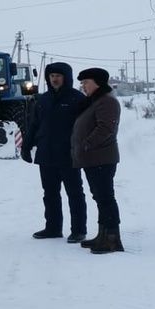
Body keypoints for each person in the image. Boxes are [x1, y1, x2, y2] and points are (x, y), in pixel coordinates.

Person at [19, 62, 87, 242]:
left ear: (66, 77)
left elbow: (85, 127)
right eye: (51, 76)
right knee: (49, 193)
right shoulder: (43, 99)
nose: (54, 79)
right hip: (46, 154)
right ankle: (53, 228)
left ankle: (79, 230)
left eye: (58, 75)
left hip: (69, 155)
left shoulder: (77, 99)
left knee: (74, 193)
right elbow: (34, 125)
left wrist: (82, 149)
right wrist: (26, 146)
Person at [72, 67, 123, 254]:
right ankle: (102, 235)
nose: (83, 86)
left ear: (97, 82)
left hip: (101, 157)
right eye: (82, 83)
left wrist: (86, 144)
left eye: (86, 82)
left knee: (105, 198)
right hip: (94, 158)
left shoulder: (107, 102)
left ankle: (112, 239)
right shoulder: (97, 100)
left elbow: (106, 128)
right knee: (100, 197)